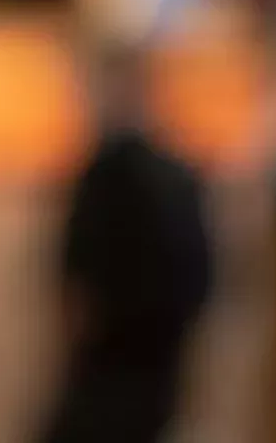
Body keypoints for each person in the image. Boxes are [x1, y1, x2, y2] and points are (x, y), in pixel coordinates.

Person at [38, 45, 213, 443]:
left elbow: (75, 275)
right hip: (158, 359)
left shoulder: (105, 174)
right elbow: (202, 277)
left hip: (111, 358)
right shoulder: (179, 174)